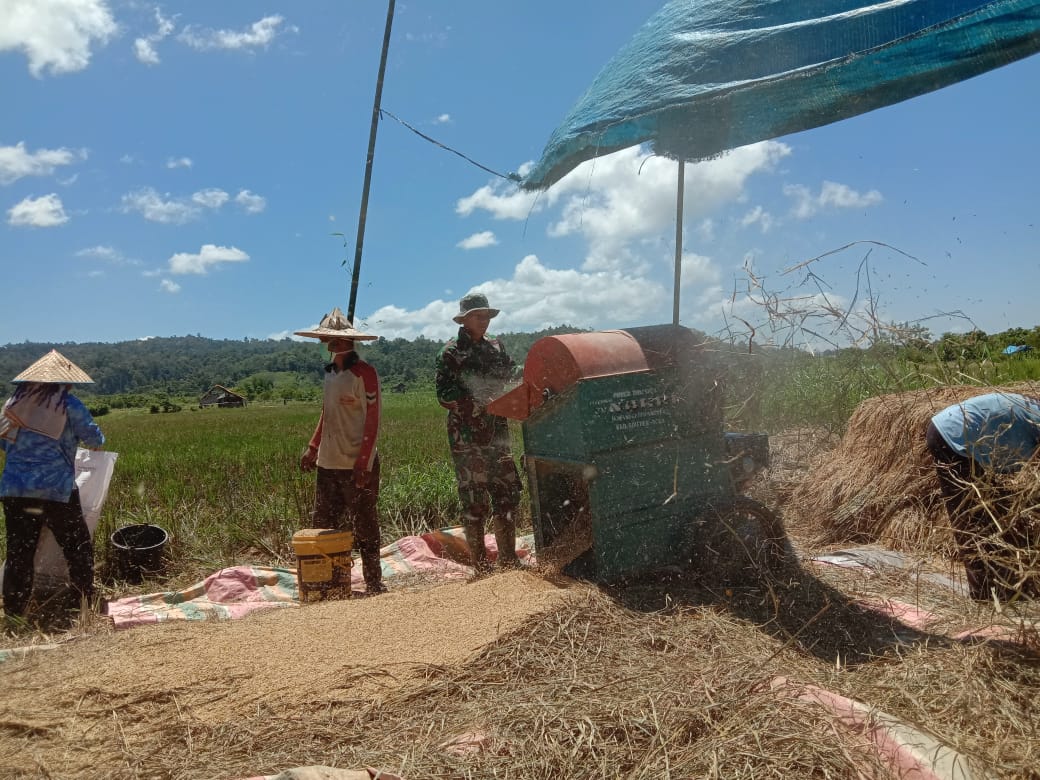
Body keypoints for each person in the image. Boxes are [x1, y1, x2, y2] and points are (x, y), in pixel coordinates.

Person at [1, 349, 105, 623]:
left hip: (14, 491)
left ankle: (14, 612)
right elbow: (94, 437)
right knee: (78, 546)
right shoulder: (67, 405)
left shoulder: (13, 405)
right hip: (56, 490)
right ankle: (82, 600)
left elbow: (3, 443)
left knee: (19, 552)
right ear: (64, 383)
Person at [295, 307, 386, 595]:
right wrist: (313, 447)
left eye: (332, 339)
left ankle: (373, 582)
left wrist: (363, 462)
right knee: (324, 525)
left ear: (346, 342)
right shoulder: (331, 374)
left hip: (357, 463)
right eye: (326, 339)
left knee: (365, 524)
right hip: (328, 462)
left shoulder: (365, 374)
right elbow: (327, 412)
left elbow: (373, 418)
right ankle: (329, 583)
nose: (329, 343)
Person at [436, 293, 522, 573]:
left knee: (507, 494)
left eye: (486, 316)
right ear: (464, 320)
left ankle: (509, 559)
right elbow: (444, 394)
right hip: (467, 437)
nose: (484, 321)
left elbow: (510, 373)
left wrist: (533, 370)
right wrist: (477, 400)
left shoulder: (496, 347)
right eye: (478, 316)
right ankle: (481, 564)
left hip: (497, 432)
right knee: (474, 500)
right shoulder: (451, 352)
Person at [925, 391, 1040, 602]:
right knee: (973, 518)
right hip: (953, 437)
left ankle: (1010, 587)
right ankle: (985, 595)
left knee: (1000, 512)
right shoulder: (1036, 419)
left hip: (969, 439)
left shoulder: (1034, 411)